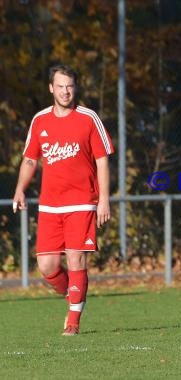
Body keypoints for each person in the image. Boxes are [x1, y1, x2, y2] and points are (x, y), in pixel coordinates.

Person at [12, 64, 115, 336]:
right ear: (51, 88)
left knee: (75, 260)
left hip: (82, 202)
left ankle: (73, 322)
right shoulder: (40, 120)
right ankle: (74, 294)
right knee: (47, 266)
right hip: (49, 205)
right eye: (60, 86)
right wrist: (20, 189)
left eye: (69, 86)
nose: (65, 91)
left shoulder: (88, 118)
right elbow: (30, 159)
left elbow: (102, 160)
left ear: (75, 87)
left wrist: (104, 199)